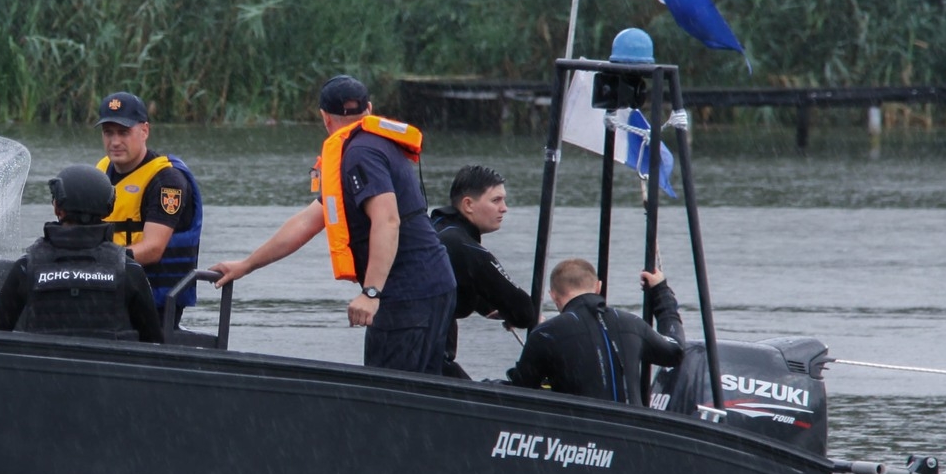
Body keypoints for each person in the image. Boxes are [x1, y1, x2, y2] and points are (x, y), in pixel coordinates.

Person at [210, 75, 455, 374]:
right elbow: (307, 222)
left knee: (390, 395)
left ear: (325, 118)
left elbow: (387, 220)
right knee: (425, 391)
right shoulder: (373, 145)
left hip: (409, 292)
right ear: (369, 108)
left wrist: (371, 293)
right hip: (431, 284)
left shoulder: (360, 153)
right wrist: (246, 265)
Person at [0, 164, 165, 343]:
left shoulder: (27, 266)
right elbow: (153, 344)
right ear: (109, 207)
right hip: (108, 368)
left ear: (57, 208)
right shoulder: (128, 269)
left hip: (43, 368)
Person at [506, 258, 682, 406]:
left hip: (578, 438)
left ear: (553, 295)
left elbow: (521, 392)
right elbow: (675, 350)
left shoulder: (546, 334)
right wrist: (661, 292)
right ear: (598, 287)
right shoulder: (632, 323)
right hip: (632, 431)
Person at [93, 91, 204, 323]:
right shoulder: (101, 170)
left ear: (144, 131)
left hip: (151, 299)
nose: (114, 142)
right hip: (105, 287)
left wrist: (95, 260)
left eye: (124, 132)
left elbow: (153, 249)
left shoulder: (167, 181)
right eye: (108, 133)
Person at [429, 164, 538, 377]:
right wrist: (516, 314)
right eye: (496, 200)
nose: (504, 208)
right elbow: (524, 311)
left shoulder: (435, 228)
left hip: (401, 349)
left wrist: (485, 305)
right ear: (468, 204)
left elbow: (447, 283)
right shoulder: (462, 245)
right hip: (428, 361)